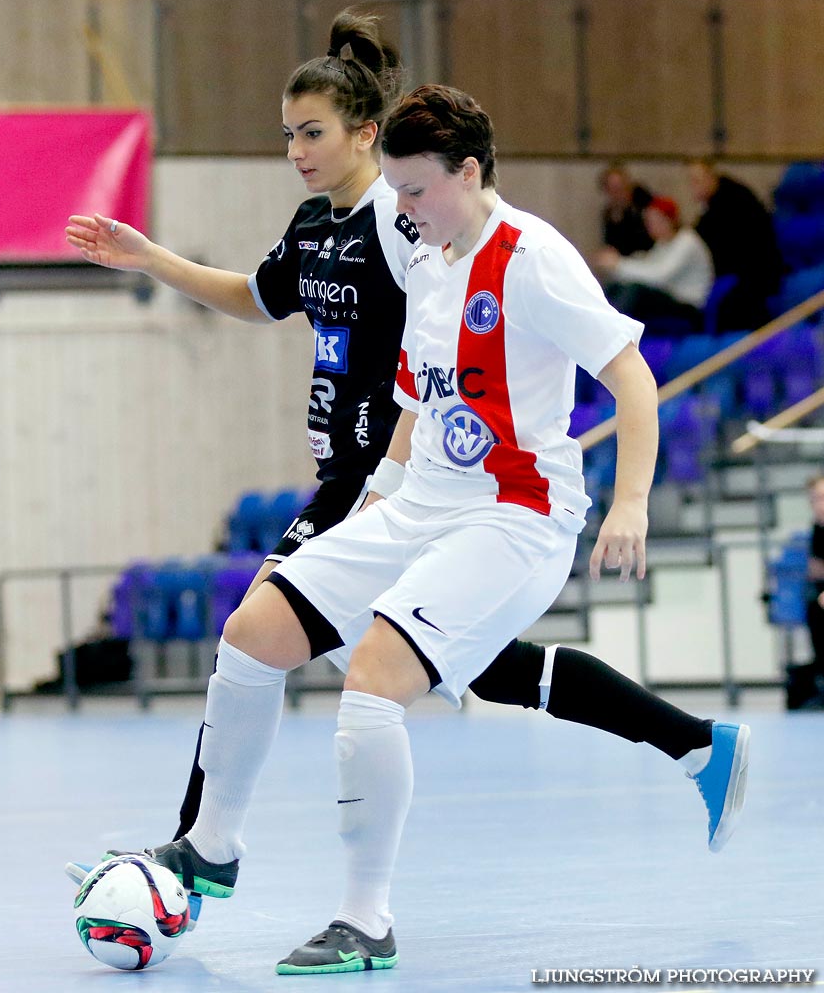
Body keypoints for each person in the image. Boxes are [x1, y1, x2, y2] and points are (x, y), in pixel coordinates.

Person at [113, 85, 750, 976]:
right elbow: (416, 402)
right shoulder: (431, 257)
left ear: (469, 172)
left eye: (414, 191)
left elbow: (633, 380)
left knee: (375, 676)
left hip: (515, 517)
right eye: (398, 194)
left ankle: (365, 920)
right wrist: (382, 499)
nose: (401, 209)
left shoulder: (532, 258)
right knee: (252, 631)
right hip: (420, 505)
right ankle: (211, 846)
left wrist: (632, 501)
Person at [595, 195, 714, 335]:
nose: (650, 227)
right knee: (615, 287)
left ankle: (610, 333)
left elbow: (659, 275)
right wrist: (618, 264)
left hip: (689, 306)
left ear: (669, 221)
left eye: (654, 222)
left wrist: (619, 264)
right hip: (671, 298)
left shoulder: (687, 241)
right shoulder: (662, 244)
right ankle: (601, 326)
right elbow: (647, 266)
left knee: (634, 291)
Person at [687, 158, 783, 331]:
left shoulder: (736, 200)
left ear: (711, 177)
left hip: (755, 273)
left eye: (698, 181)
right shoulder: (709, 209)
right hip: (736, 274)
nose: (694, 187)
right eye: (691, 182)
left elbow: (742, 248)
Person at [798, 474, 824, 708]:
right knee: (814, 606)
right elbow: (815, 569)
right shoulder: (817, 528)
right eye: (814, 499)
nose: (819, 504)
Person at [598, 163, 653, 256]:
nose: (616, 192)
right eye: (611, 188)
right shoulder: (609, 213)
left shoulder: (644, 204)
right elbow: (611, 243)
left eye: (619, 186)